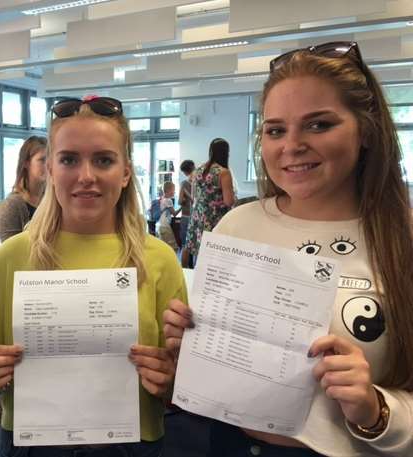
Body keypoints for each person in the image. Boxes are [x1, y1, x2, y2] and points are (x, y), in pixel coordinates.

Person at [163, 41, 413, 456]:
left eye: (318, 125)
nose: (291, 145)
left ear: (366, 130)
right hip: (231, 445)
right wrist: (187, 348)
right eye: (276, 129)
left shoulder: (401, 238)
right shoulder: (238, 225)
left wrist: (375, 410)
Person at [0, 96, 187, 457]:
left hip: (131, 444)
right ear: (50, 169)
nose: (86, 176)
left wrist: (170, 379)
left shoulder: (159, 259)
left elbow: (181, 382)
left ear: (126, 171)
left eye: (103, 160)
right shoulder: (12, 257)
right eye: (69, 160)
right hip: (32, 444)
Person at [184, 138, 234, 262]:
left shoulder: (198, 170)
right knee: (213, 257)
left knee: (195, 251)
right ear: (225, 153)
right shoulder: (223, 172)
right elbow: (229, 201)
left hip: (198, 215)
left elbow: (195, 194)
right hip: (215, 218)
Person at [0, 135, 47, 241]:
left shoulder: (54, 199)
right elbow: (11, 252)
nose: (49, 165)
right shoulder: (11, 206)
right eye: (42, 160)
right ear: (26, 163)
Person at [178, 160, 195, 267]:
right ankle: (192, 268)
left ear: (184, 172)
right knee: (193, 245)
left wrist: (185, 195)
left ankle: (184, 271)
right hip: (196, 217)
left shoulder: (184, 183)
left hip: (186, 216)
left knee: (185, 245)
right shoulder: (199, 182)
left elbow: (180, 201)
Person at [157, 181, 180, 251]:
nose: (174, 192)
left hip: (160, 226)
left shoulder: (162, 199)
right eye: (173, 190)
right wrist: (182, 207)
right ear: (169, 190)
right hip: (165, 226)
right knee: (174, 248)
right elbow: (174, 214)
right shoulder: (168, 201)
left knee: (163, 248)